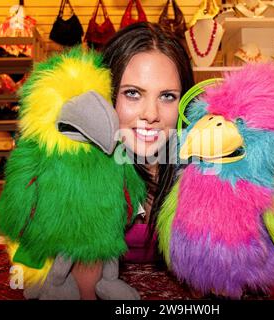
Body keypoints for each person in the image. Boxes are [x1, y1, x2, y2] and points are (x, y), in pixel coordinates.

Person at [71, 22, 195, 300]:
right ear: (106, 95)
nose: (151, 114)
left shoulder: (201, 167)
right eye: (132, 93)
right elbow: (82, 291)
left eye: (167, 96)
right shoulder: (83, 171)